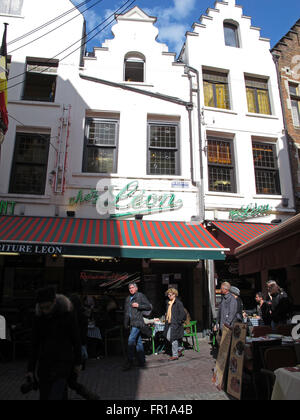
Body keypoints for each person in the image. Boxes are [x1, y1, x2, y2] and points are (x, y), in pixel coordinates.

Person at [26, 286, 82, 400]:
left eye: (47, 307)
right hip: (45, 364)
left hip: (63, 363)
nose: (45, 311)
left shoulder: (67, 314)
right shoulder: (39, 317)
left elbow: (76, 339)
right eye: (42, 308)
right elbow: (34, 343)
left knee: (56, 394)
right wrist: (30, 369)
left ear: (54, 302)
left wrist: (78, 362)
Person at [123, 282, 152, 370]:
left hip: (138, 322)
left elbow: (148, 307)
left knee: (131, 340)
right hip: (131, 323)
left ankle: (130, 361)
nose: (131, 289)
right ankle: (141, 361)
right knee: (138, 342)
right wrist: (125, 323)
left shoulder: (140, 296)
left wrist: (139, 305)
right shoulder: (128, 298)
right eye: (129, 288)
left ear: (136, 288)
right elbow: (126, 313)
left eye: (132, 287)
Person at [163, 288, 186, 361]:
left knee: (173, 338)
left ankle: (175, 355)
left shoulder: (178, 303)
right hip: (169, 323)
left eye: (170, 294)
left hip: (175, 324)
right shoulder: (168, 303)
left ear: (174, 294)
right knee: (168, 336)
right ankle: (179, 348)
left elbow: (183, 314)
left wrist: (178, 321)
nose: (169, 296)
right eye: (168, 294)